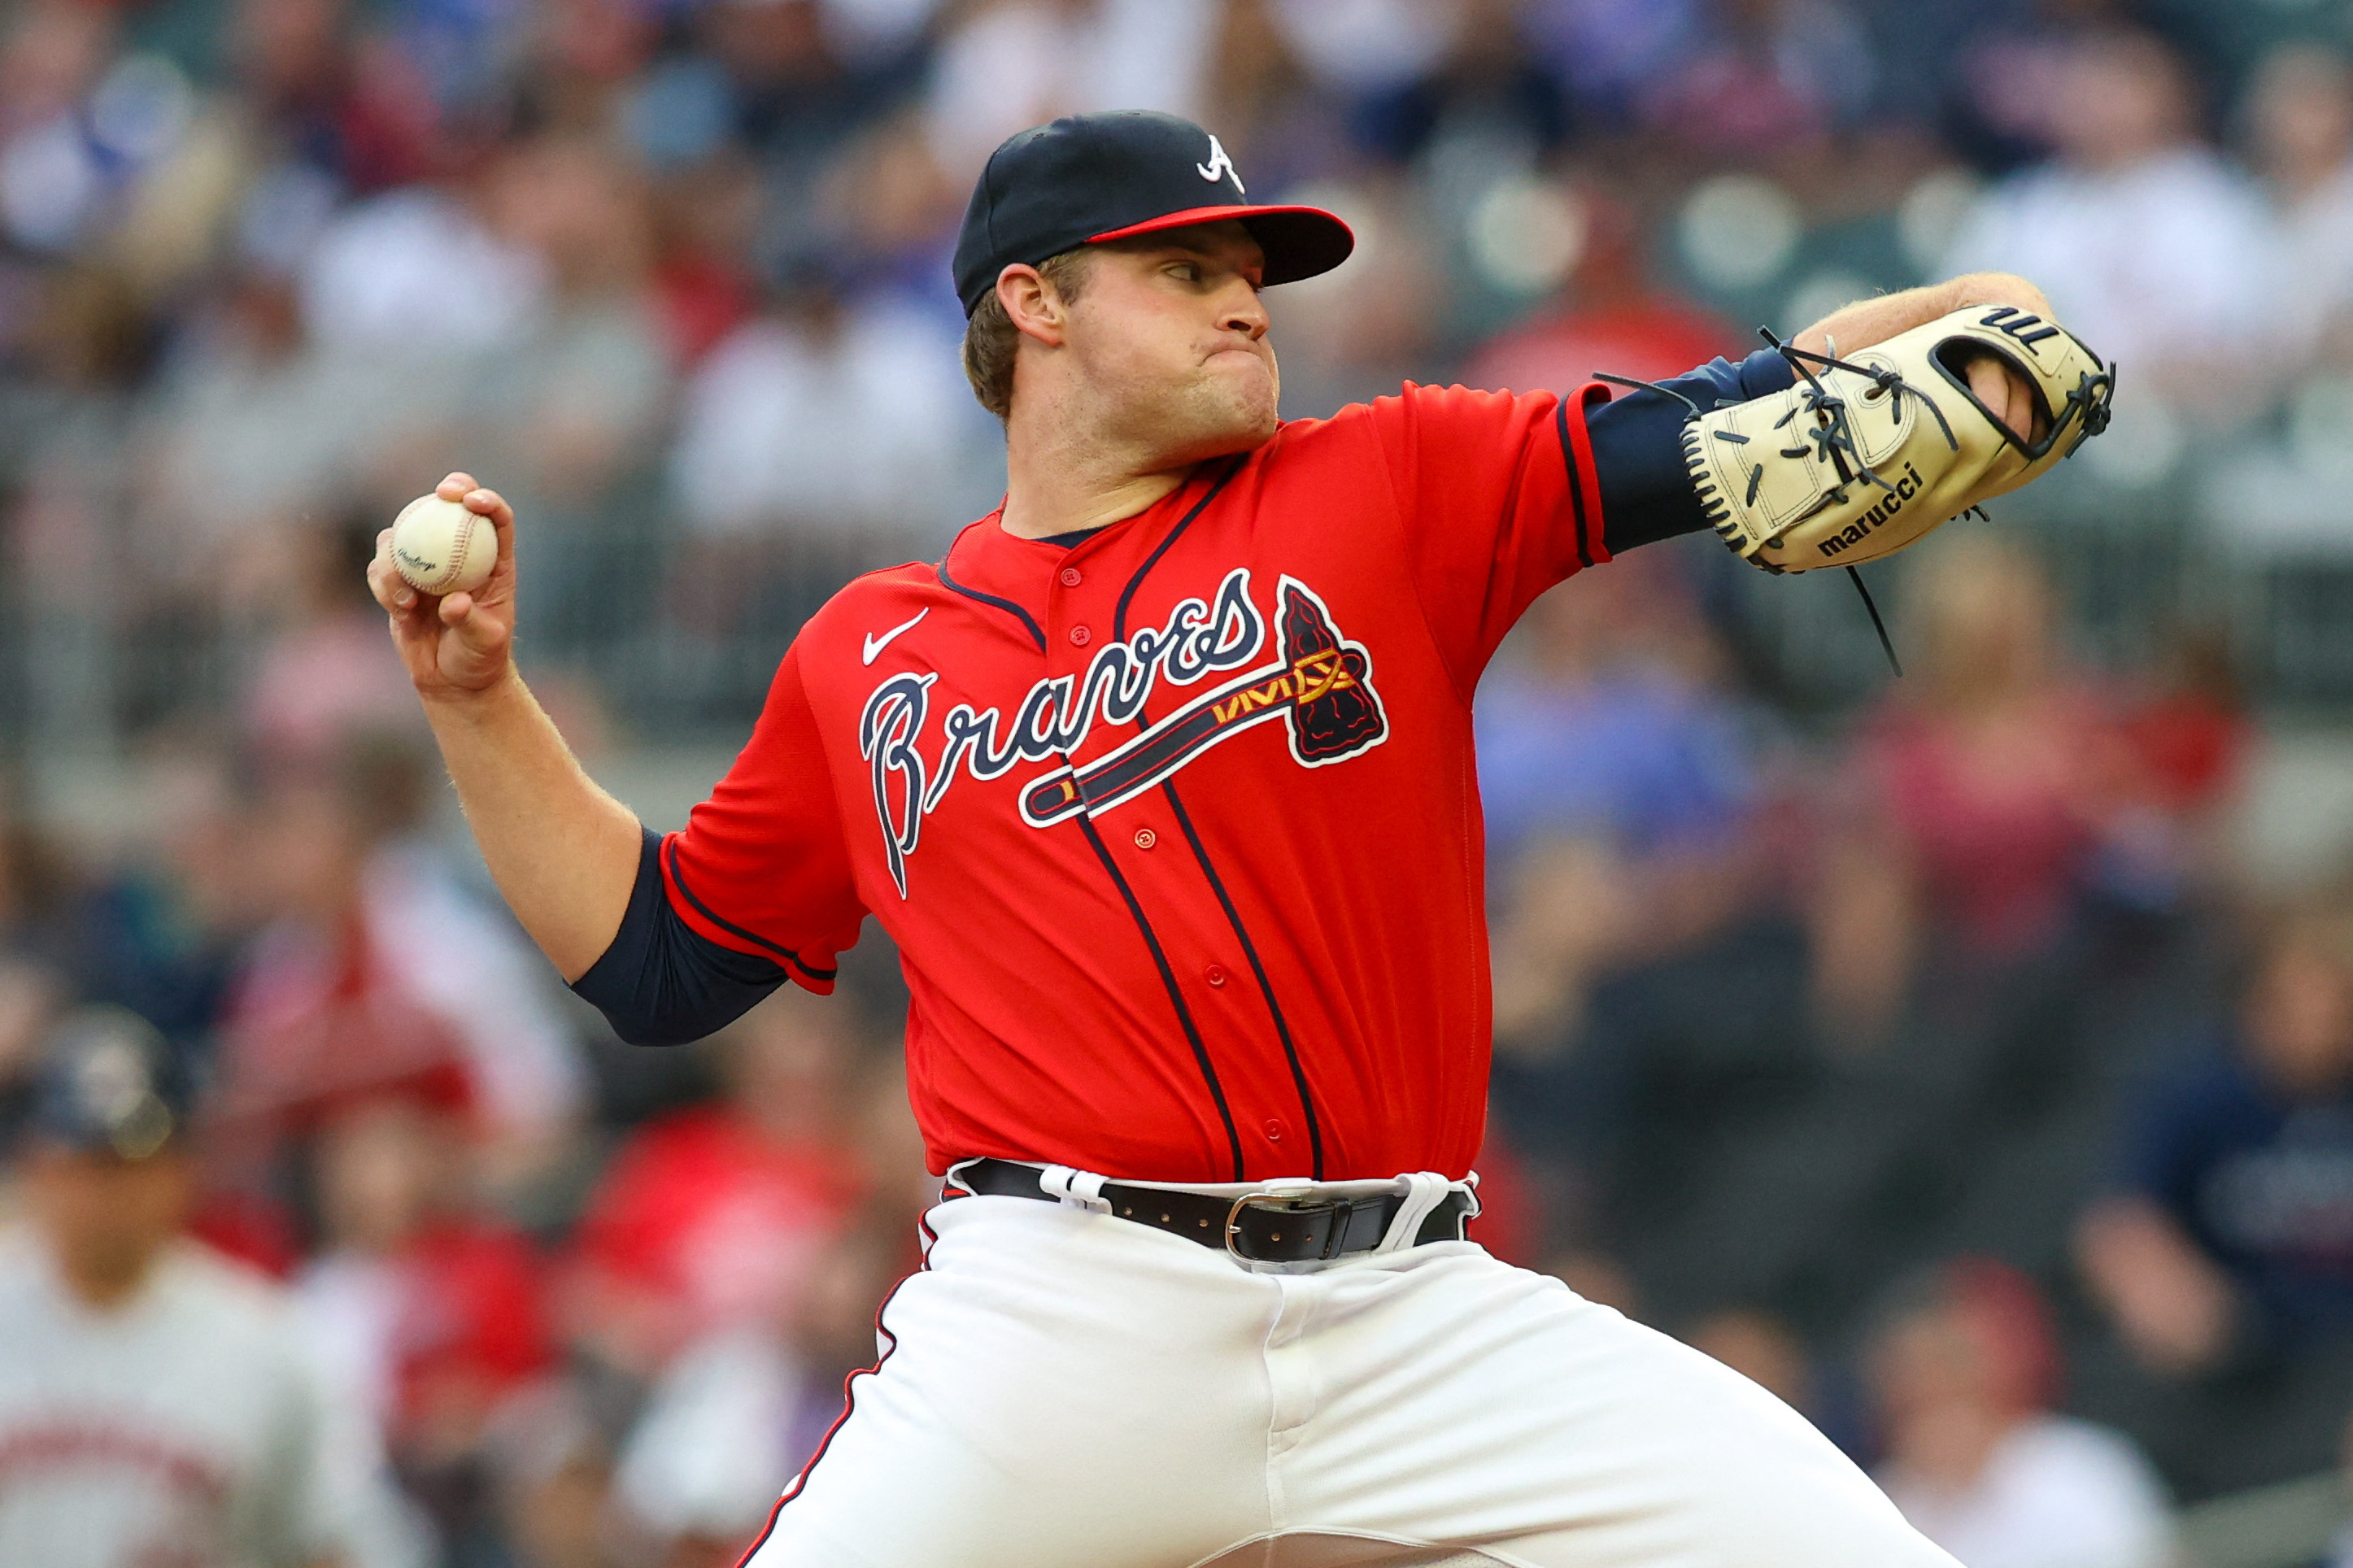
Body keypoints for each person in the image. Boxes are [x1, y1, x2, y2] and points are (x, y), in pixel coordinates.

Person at [368, 109, 2055, 1566]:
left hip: (1413, 1306)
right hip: (1056, 1315)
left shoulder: (1392, 481)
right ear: (1030, 301)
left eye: (1252, 271)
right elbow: (661, 964)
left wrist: (1988, 326)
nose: (1246, 300)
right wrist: (479, 703)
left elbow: (1754, 404)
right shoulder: (867, 654)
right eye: (1183, 271)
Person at [0, 1006, 406, 1568]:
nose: (109, 1192)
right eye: (86, 1163)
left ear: (183, 1170)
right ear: (34, 1165)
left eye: (134, 1163)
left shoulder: (266, 1343)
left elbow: (343, 1544)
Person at [1867, 1259, 2174, 1568]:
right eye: (1908, 1384)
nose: (1927, 1395)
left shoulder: (2078, 1469)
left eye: (1942, 1374)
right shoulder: (1881, 1506)